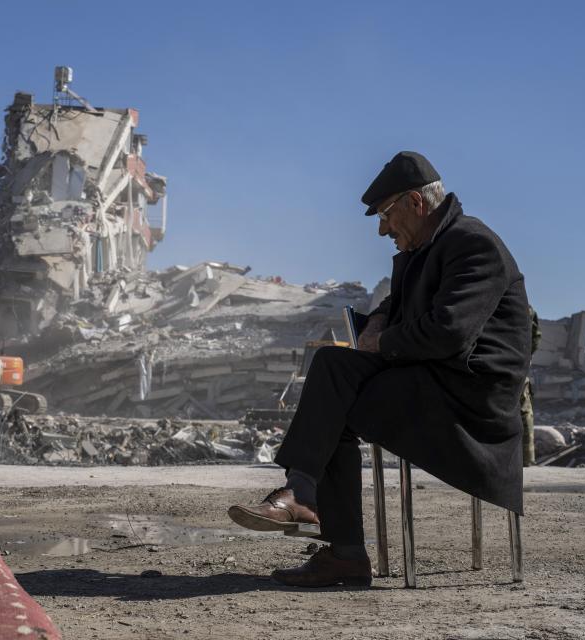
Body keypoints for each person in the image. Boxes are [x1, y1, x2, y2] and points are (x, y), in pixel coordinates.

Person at [228, 151, 532, 588]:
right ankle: (319, 517)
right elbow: (402, 306)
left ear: (415, 202)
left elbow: (449, 332)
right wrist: (377, 321)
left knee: (335, 393)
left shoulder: (472, 245)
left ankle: (330, 531)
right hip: (432, 380)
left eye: (386, 214)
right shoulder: (428, 248)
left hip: (470, 397)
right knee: (333, 372)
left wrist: (383, 342)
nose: (382, 228)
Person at [520, 307, 541, 466]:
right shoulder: (526, 307)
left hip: (493, 361)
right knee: (524, 410)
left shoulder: (490, 296)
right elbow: (535, 336)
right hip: (519, 363)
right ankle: (527, 458)